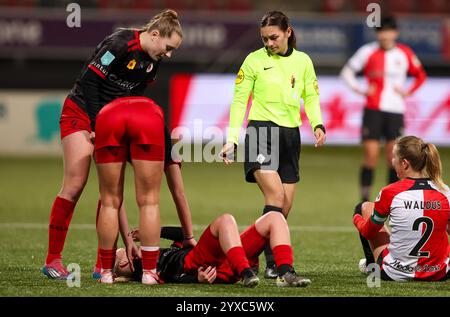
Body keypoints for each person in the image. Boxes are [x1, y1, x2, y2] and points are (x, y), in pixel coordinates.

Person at [42, 9, 185, 280]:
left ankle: (102, 265)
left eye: (173, 51)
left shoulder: (153, 61)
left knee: (111, 190)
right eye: (168, 48)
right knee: (75, 184)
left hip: (113, 122)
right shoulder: (119, 44)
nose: (169, 54)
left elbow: (135, 99)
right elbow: (90, 82)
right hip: (83, 113)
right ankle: (53, 260)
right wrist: (97, 125)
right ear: (154, 35)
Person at [219, 11, 326, 278]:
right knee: (275, 197)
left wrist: (317, 124)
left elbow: (311, 96)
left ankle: (250, 257)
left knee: (284, 208)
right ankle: (276, 265)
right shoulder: (253, 61)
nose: (269, 43)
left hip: (290, 136)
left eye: (274, 38)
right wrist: (231, 139)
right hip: (260, 132)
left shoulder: (303, 61)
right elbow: (239, 101)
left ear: (288, 32)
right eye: (265, 39)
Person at [340, 15, 427, 267]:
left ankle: (392, 199)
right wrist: (360, 89)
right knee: (370, 154)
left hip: (395, 110)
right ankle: (366, 196)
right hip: (373, 110)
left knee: (395, 156)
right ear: (378, 34)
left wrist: (409, 91)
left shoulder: (404, 53)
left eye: (388, 32)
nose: (384, 36)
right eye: (381, 32)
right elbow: (347, 72)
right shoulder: (367, 52)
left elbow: (420, 75)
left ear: (395, 33)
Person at [91, 127, 196, 279]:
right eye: (119, 255)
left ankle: (104, 269)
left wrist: (129, 241)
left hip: (117, 121)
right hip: (152, 125)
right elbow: (179, 194)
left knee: (110, 197)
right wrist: (188, 236)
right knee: (148, 201)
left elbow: (113, 199)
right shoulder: (163, 145)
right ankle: (112, 269)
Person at [114, 211, 311, 287]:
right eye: (124, 250)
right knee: (225, 220)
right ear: (125, 261)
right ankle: (245, 272)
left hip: (225, 257)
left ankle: (285, 274)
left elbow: (184, 233)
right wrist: (196, 279)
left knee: (274, 217)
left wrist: (152, 232)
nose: (131, 246)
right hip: (198, 262)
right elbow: (173, 277)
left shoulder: (158, 254)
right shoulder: (144, 267)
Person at [353, 136, 450, 281]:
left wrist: (356, 219)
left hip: (395, 273)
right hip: (439, 273)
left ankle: (371, 266)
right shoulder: (444, 191)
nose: (392, 161)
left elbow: (368, 231)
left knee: (364, 207)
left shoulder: (390, 192)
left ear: (404, 163)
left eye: (394, 157)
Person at [94, 96, 168, 285]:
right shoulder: (152, 106)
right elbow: (178, 191)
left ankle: (106, 273)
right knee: (149, 201)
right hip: (147, 116)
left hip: (108, 115)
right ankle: (149, 273)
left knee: (109, 201)